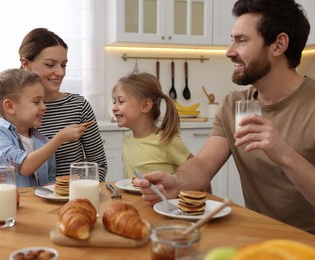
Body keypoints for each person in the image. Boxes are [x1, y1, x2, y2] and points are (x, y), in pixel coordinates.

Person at [133, 0, 315, 234]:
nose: (229, 51)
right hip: (258, 236)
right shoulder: (234, 106)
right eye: (232, 39)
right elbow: (203, 164)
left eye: (242, 40)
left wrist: (283, 153)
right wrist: (175, 183)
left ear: (279, 44)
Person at [0, 28, 107, 189]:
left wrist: (82, 192)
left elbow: (99, 165)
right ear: (26, 64)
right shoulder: (6, 115)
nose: (60, 72)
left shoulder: (79, 106)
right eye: (50, 64)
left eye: (64, 65)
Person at [0, 68, 86, 187]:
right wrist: (59, 138)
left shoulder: (43, 141)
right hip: (9, 204)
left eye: (43, 101)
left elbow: (51, 179)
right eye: (36, 102)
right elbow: (24, 167)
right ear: (10, 106)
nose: (44, 107)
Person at [112, 72, 193, 178]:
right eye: (114, 102)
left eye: (121, 101)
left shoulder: (166, 140)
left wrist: (207, 195)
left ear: (145, 106)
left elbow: (197, 173)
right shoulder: (126, 139)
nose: (114, 108)